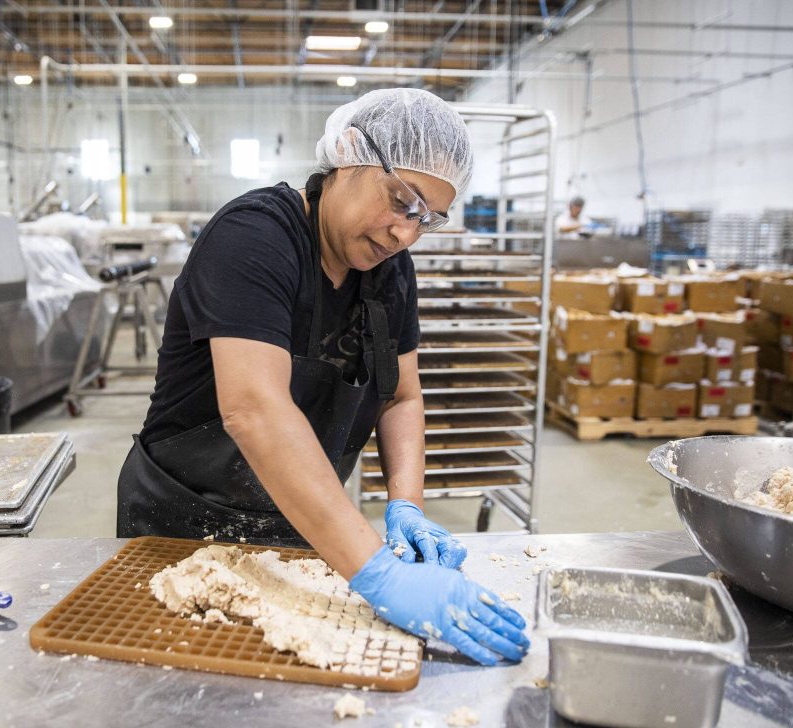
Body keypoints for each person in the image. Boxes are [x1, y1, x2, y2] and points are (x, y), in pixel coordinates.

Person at [116, 88, 529, 666]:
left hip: (305, 524)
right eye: (400, 201)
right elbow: (254, 409)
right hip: (180, 524)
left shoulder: (390, 272)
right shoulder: (255, 236)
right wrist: (378, 574)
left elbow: (401, 397)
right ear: (348, 154)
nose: (404, 233)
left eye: (426, 219)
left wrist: (406, 509)